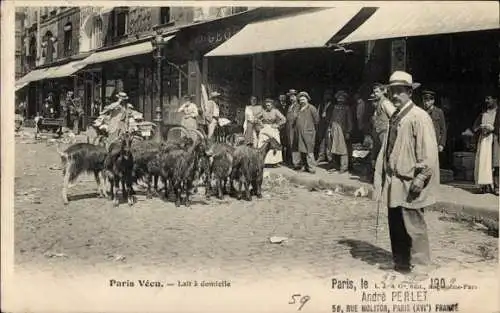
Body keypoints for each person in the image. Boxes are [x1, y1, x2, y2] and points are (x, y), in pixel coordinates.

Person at [373, 71, 439, 275]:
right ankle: (401, 262)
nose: (395, 95)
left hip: (411, 179)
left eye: (399, 91)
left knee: (414, 224)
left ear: (410, 92)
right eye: (392, 91)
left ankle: (421, 266)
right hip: (394, 179)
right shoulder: (396, 115)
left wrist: (421, 177)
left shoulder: (419, 117)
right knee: (396, 223)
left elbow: (428, 151)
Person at [472, 92, 499, 195]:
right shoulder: (483, 113)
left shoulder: (498, 112)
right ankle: (484, 186)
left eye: (488, 98)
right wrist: (481, 127)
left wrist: (494, 129)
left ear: (495, 99)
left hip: (496, 140)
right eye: (485, 99)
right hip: (484, 141)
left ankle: (496, 187)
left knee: (496, 163)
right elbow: (475, 127)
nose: (486, 101)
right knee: (484, 163)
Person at [371, 83, 396, 173]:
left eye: (377, 92)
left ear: (382, 92)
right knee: (378, 153)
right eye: (374, 92)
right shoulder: (378, 103)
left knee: (385, 153)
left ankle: (386, 174)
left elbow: (393, 115)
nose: (375, 94)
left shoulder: (385, 102)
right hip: (378, 131)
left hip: (384, 131)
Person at [328, 90, 353, 174]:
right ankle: (335, 165)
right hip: (334, 129)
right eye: (339, 98)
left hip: (342, 130)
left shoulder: (347, 108)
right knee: (334, 148)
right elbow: (332, 118)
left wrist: (348, 132)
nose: (340, 99)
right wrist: (330, 128)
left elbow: (349, 121)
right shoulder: (334, 107)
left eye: (342, 98)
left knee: (343, 149)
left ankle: (344, 167)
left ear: (345, 99)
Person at [294, 91, 320, 173]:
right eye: (300, 100)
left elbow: (317, 120)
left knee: (309, 150)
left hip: (309, 133)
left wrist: (311, 129)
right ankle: (304, 167)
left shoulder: (311, 108)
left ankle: (312, 168)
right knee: (302, 150)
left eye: (303, 99)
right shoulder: (299, 109)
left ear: (307, 99)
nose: (302, 101)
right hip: (300, 132)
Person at [255, 98, 286, 165]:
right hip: (265, 128)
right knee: (262, 142)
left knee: (274, 143)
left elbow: (284, 119)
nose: (267, 106)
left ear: (272, 105)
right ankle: (264, 160)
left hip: (273, 128)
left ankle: (274, 161)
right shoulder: (263, 111)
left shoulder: (276, 111)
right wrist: (261, 124)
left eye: (269, 105)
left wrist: (277, 125)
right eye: (266, 105)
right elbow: (256, 118)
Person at [422, 90, 447, 157]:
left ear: (433, 101)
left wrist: (442, 144)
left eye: (429, 100)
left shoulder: (439, 112)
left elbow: (443, 129)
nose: (426, 102)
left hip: (434, 141)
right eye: (425, 100)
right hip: (422, 141)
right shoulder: (421, 112)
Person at [315, 89, 335, 163]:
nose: (326, 96)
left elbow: (334, 116)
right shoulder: (321, 105)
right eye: (325, 95)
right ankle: (321, 156)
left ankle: (330, 158)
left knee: (329, 142)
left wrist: (331, 125)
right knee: (321, 141)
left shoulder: (333, 106)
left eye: (328, 95)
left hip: (329, 125)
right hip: (321, 125)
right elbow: (317, 115)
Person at [286, 89, 300, 167]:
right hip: (289, 128)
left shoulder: (298, 106)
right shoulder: (290, 106)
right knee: (290, 144)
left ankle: (297, 163)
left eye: (293, 96)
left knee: (295, 144)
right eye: (290, 96)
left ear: (296, 97)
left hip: (295, 128)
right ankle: (293, 162)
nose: (291, 98)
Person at [276, 93, 288, 159]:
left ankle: (287, 158)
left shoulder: (288, 106)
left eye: (283, 97)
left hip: (287, 127)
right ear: (279, 98)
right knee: (280, 142)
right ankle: (280, 158)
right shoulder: (277, 106)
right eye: (281, 97)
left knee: (286, 143)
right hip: (280, 126)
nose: (282, 98)